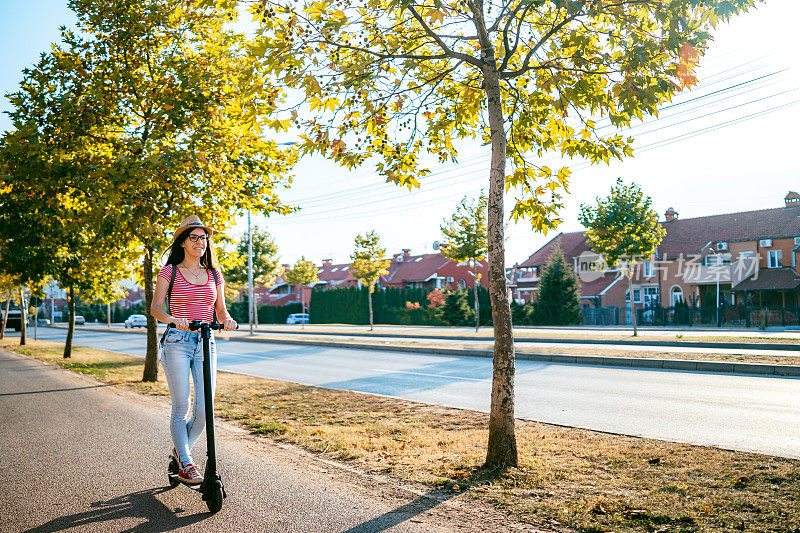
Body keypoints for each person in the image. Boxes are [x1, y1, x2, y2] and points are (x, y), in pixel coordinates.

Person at [150, 215, 237, 484]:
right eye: (194, 237)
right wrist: (173, 318)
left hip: (206, 341)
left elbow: (221, 312)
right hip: (177, 341)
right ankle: (186, 465)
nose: (200, 242)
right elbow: (155, 309)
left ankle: (180, 453)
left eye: (204, 238)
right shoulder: (170, 272)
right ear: (183, 242)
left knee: (204, 411)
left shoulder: (214, 273)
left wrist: (228, 321)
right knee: (182, 406)